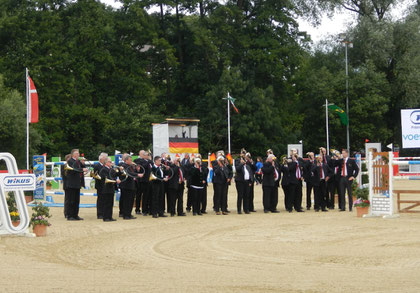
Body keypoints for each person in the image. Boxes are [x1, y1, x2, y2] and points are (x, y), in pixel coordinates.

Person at [65, 149, 87, 221]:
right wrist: (82, 169)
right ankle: (70, 215)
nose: (79, 155)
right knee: (71, 200)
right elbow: (75, 169)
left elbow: (82, 167)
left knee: (76, 200)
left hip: (77, 184)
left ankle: (75, 214)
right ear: (74, 154)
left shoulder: (77, 161)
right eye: (77, 153)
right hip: (71, 184)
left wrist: (83, 163)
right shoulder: (70, 161)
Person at [120, 155, 143, 219]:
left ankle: (129, 213)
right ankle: (126, 214)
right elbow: (129, 173)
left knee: (131, 200)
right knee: (126, 201)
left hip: (132, 185)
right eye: (130, 160)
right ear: (126, 160)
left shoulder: (131, 166)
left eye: (131, 160)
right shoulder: (124, 166)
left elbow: (133, 173)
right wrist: (137, 174)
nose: (131, 161)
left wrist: (137, 170)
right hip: (126, 186)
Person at [99, 157, 121, 221]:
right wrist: (115, 180)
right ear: (106, 163)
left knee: (110, 203)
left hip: (111, 188)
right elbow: (106, 178)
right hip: (106, 188)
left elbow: (117, 174)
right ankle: (105, 217)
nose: (111, 163)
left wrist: (119, 169)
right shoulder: (103, 169)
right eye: (110, 162)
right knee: (106, 203)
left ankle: (109, 216)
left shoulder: (111, 169)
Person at [234, 150, 253, 214]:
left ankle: (246, 209)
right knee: (240, 195)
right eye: (242, 153)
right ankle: (239, 209)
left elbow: (250, 171)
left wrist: (250, 181)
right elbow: (238, 169)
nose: (244, 155)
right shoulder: (237, 160)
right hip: (240, 181)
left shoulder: (247, 162)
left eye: (244, 154)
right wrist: (241, 163)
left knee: (246, 196)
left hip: (247, 181)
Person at [134, 150, 152, 215]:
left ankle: (145, 209)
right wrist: (148, 161)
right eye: (147, 155)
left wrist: (150, 160)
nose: (148, 156)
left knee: (146, 195)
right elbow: (142, 166)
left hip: (147, 180)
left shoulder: (149, 161)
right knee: (139, 195)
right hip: (141, 181)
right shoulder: (139, 160)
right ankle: (137, 209)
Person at [94, 152, 107, 219]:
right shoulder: (97, 166)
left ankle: (104, 212)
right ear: (101, 159)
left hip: (105, 185)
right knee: (100, 200)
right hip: (100, 185)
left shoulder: (105, 166)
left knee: (104, 199)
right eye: (105, 158)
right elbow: (95, 175)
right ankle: (99, 213)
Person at [62, 153, 71, 219]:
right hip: (67, 185)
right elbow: (64, 176)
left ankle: (69, 212)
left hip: (70, 185)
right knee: (67, 199)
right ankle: (66, 213)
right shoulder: (64, 166)